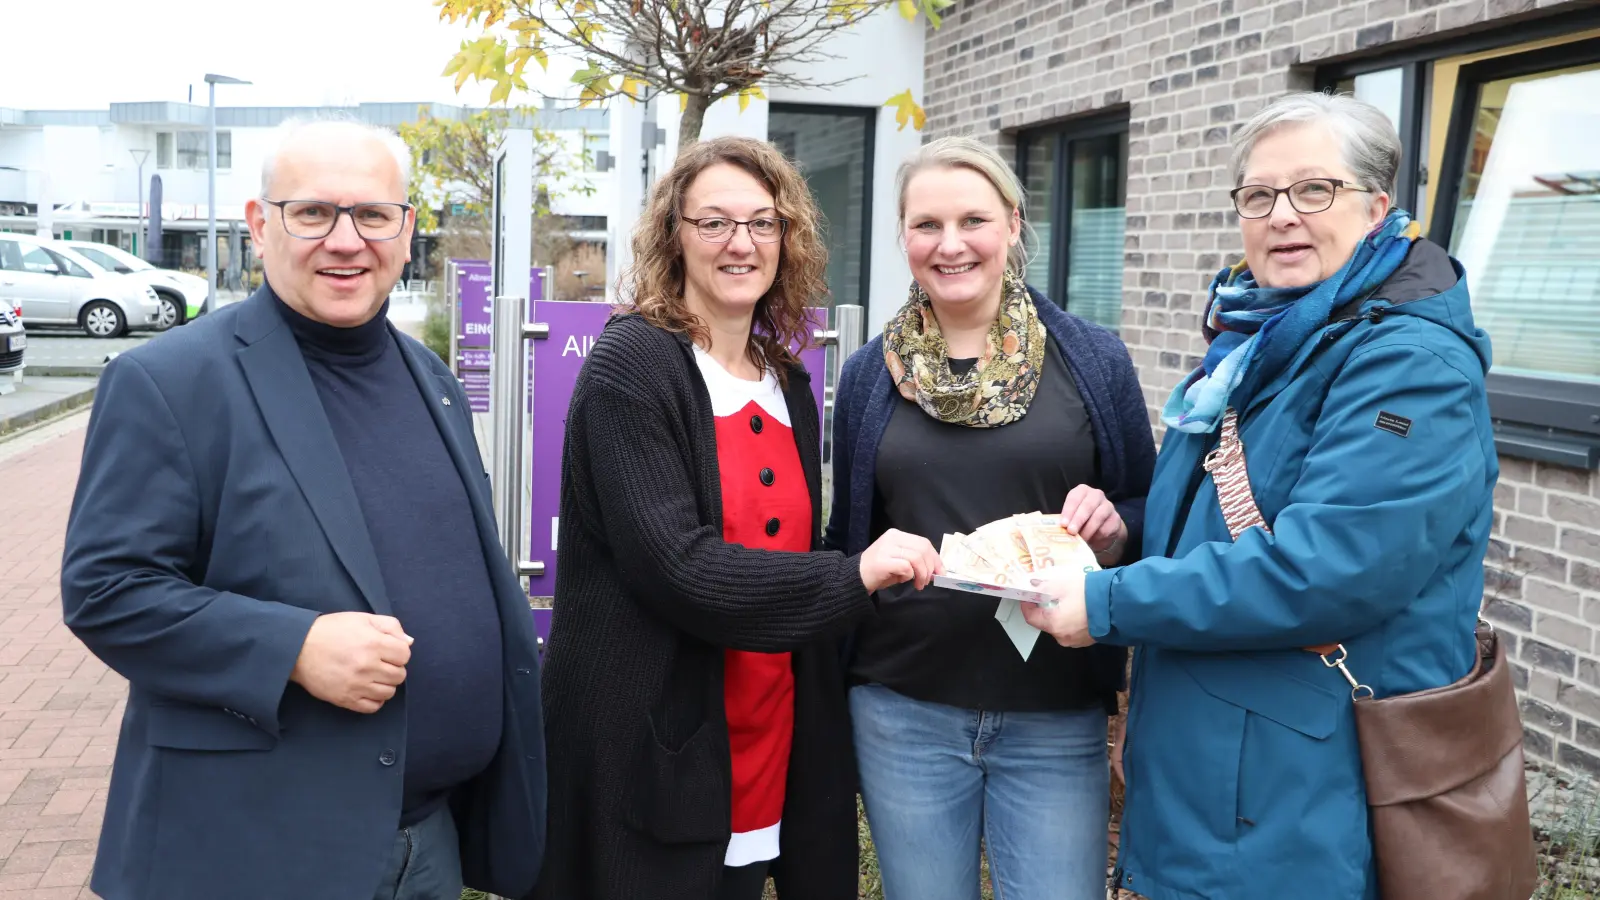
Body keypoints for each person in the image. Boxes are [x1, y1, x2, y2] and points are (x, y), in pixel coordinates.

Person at [1022, 92, 1497, 900]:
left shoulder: (1409, 367)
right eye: (1258, 196)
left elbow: (1331, 569)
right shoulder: (1261, 343)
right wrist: (1118, 542)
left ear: (1378, 206)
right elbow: (1210, 530)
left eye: (1316, 190)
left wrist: (1105, 602)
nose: (1283, 216)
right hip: (1226, 778)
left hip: (1304, 799)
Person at [60, 118, 547, 900]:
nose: (346, 240)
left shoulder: (433, 380)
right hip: (252, 852)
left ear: (407, 229)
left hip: (426, 845)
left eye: (373, 215)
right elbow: (106, 591)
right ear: (261, 225)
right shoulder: (172, 382)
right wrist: (293, 647)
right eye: (314, 213)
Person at [535, 135, 943, 900]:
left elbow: (792, 542)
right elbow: (675, 565)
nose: (740, 243)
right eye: (714, 222)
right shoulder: (633, 367)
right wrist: (855, 572)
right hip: (650, 747)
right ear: (673, 235)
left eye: (762, 223)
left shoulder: (785, 381)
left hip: (767, 731)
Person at [824, 135, 1156, 900]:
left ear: (1012, 223)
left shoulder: (1093, 362)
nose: (950, 245)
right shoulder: (873, 374)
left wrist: (1114, 525)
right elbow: (852, 535)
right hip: (903, 707)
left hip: (1053, 708)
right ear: (903, 236)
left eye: (972, 220)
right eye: (926, 225)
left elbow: (1145, 507)